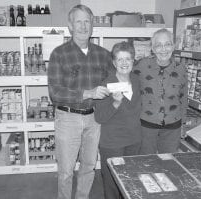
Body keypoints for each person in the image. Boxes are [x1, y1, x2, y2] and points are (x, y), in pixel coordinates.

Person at [47, 4, 114, 199]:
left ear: (92, 24)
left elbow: (113, 81)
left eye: (87, 21)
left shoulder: (103, 54)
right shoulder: (59, 54)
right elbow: (55, 92)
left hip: (94, 119)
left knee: (88, 167)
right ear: (70, 25)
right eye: (79, 22)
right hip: (68, 118)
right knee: (66, 171)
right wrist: (87, 93)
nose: (83, 26)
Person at [95, 41, 142, 199]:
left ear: (133, 61)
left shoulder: (137, 80)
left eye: (128, 59)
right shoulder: (105, 85)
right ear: (114, 62)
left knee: (129, 182)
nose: (124, 63)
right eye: (120, 59)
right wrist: (115, 103)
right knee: (112, 186)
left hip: (134, 141)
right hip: (112, 144)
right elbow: (99, 117)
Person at [134, 28, 188, 154]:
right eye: (158, 45)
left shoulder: (181, 69)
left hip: (173, 125)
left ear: (173, 46)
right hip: (146, 124)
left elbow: (183, 98)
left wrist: (183, 123)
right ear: (152, 48)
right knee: (145, 161)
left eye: (167, 44)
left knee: (168, 162)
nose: (163, 49)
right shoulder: (141, 65)